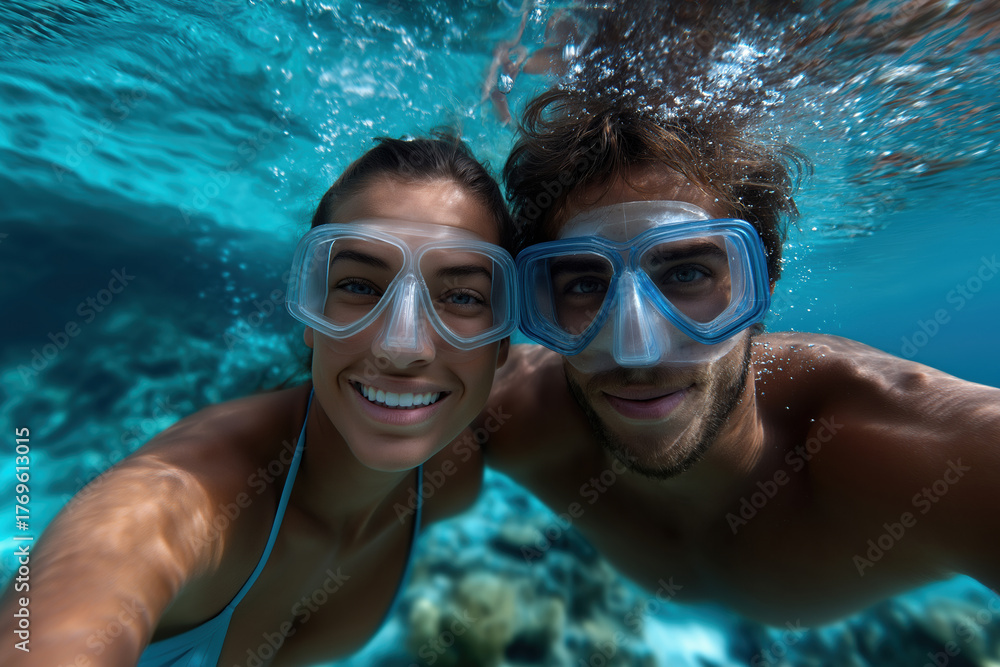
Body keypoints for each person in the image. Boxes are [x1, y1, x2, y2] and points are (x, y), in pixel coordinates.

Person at [479, 87, 1000, 626]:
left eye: (686, 274)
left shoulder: (923, 454)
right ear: (541, 309)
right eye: (585, 283)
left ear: (761, 285)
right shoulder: (508, 413)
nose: (638, 349)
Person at [0, 135, 517, 665]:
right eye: (359, 286)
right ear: (310, 315)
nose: (401, 346)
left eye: (461, 296)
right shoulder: (172, 508)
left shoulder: (453, 476)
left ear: (503, 342)